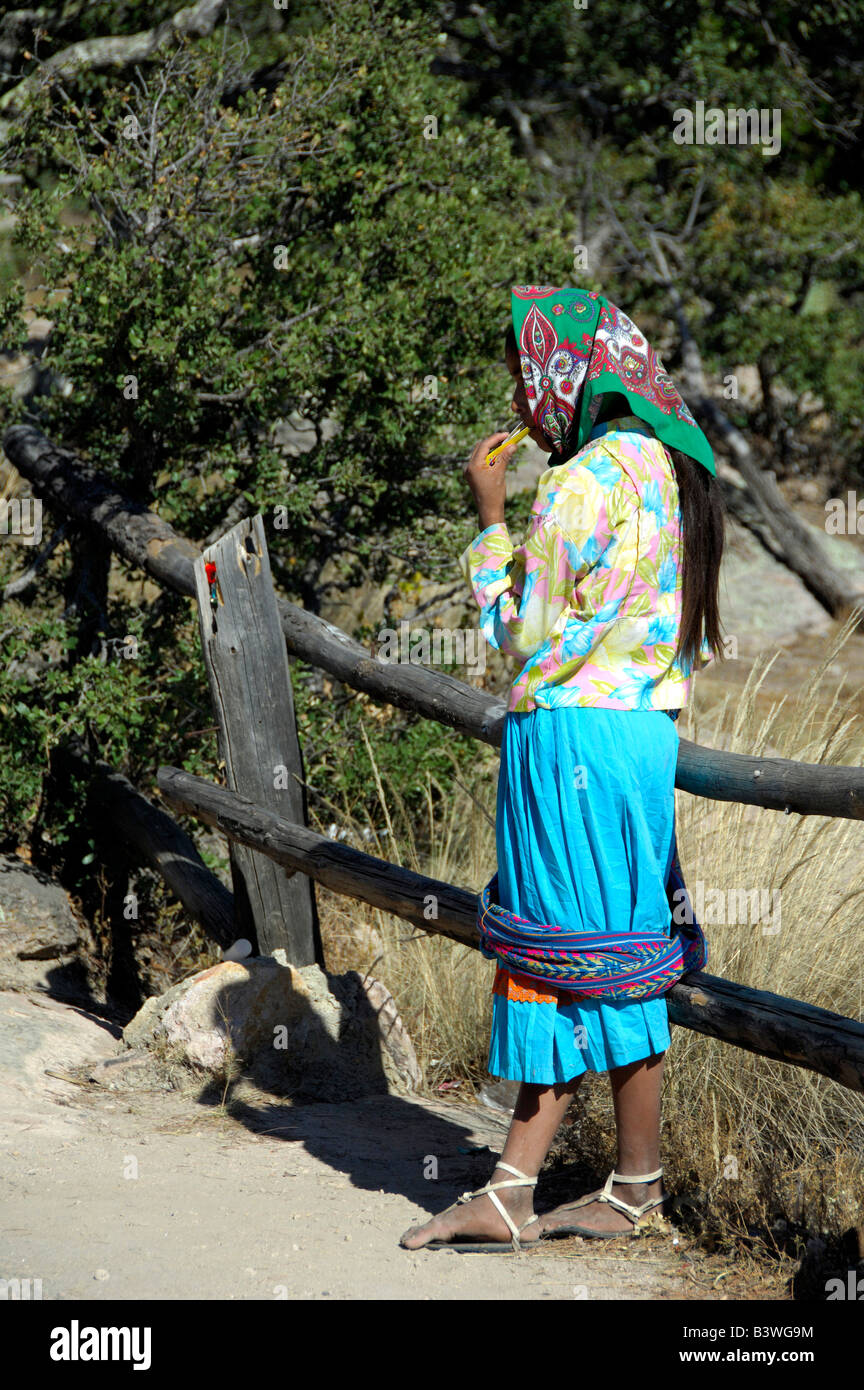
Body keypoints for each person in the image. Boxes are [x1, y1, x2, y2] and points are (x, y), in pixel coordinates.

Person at [400, 284, 726, 1253]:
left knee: (560, 955)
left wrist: (489, 515)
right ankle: (604, 1184)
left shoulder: (582, 481)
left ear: (562, 373)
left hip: (571, 737)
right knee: (617, 952)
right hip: (638, 739)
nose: (517, 388)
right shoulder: (670, 470)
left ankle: (555, 1190)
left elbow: (521, 631)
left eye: (521, 367)